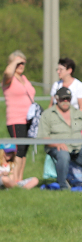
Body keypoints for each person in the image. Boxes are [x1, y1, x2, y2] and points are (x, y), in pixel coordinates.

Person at [2, 50, 36, 185]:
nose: (21, 65)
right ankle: (14, 178)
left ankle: (19, 178)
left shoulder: (25, 78)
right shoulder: (9, 78)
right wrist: (15, 61)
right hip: (16, 119)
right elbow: (7, 73)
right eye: (18, 62)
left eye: (23, 62)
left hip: (28, 119)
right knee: (18, 149)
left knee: (24, 150)